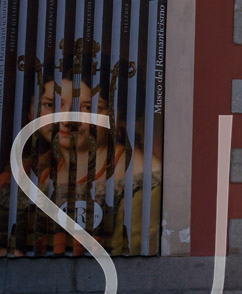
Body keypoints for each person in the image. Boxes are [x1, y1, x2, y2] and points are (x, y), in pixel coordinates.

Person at [0, 69, 161, 257]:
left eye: (87, 108)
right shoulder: (31, 170)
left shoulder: (139, 174)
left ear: (116, 115)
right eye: (50, 105)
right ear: (30, 111)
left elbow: (133, 259)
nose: (66, 120)